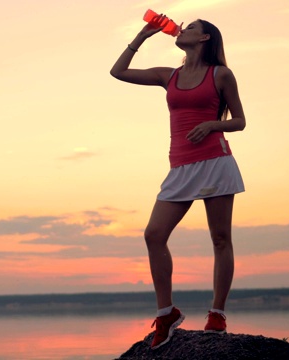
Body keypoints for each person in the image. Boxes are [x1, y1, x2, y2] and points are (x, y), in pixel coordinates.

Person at [110, 15, 246, 350]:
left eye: (190, 28)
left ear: (204, 39)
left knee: (219, 238)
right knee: (154, 235)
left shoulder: (221, 75)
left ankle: (217, 313)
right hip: (180, 167)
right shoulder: (167, 76)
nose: (181, 29)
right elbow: (118, 72)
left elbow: (240, 121)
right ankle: (166, 312)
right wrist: (143, 34)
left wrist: (213, 125)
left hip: (215, 163)